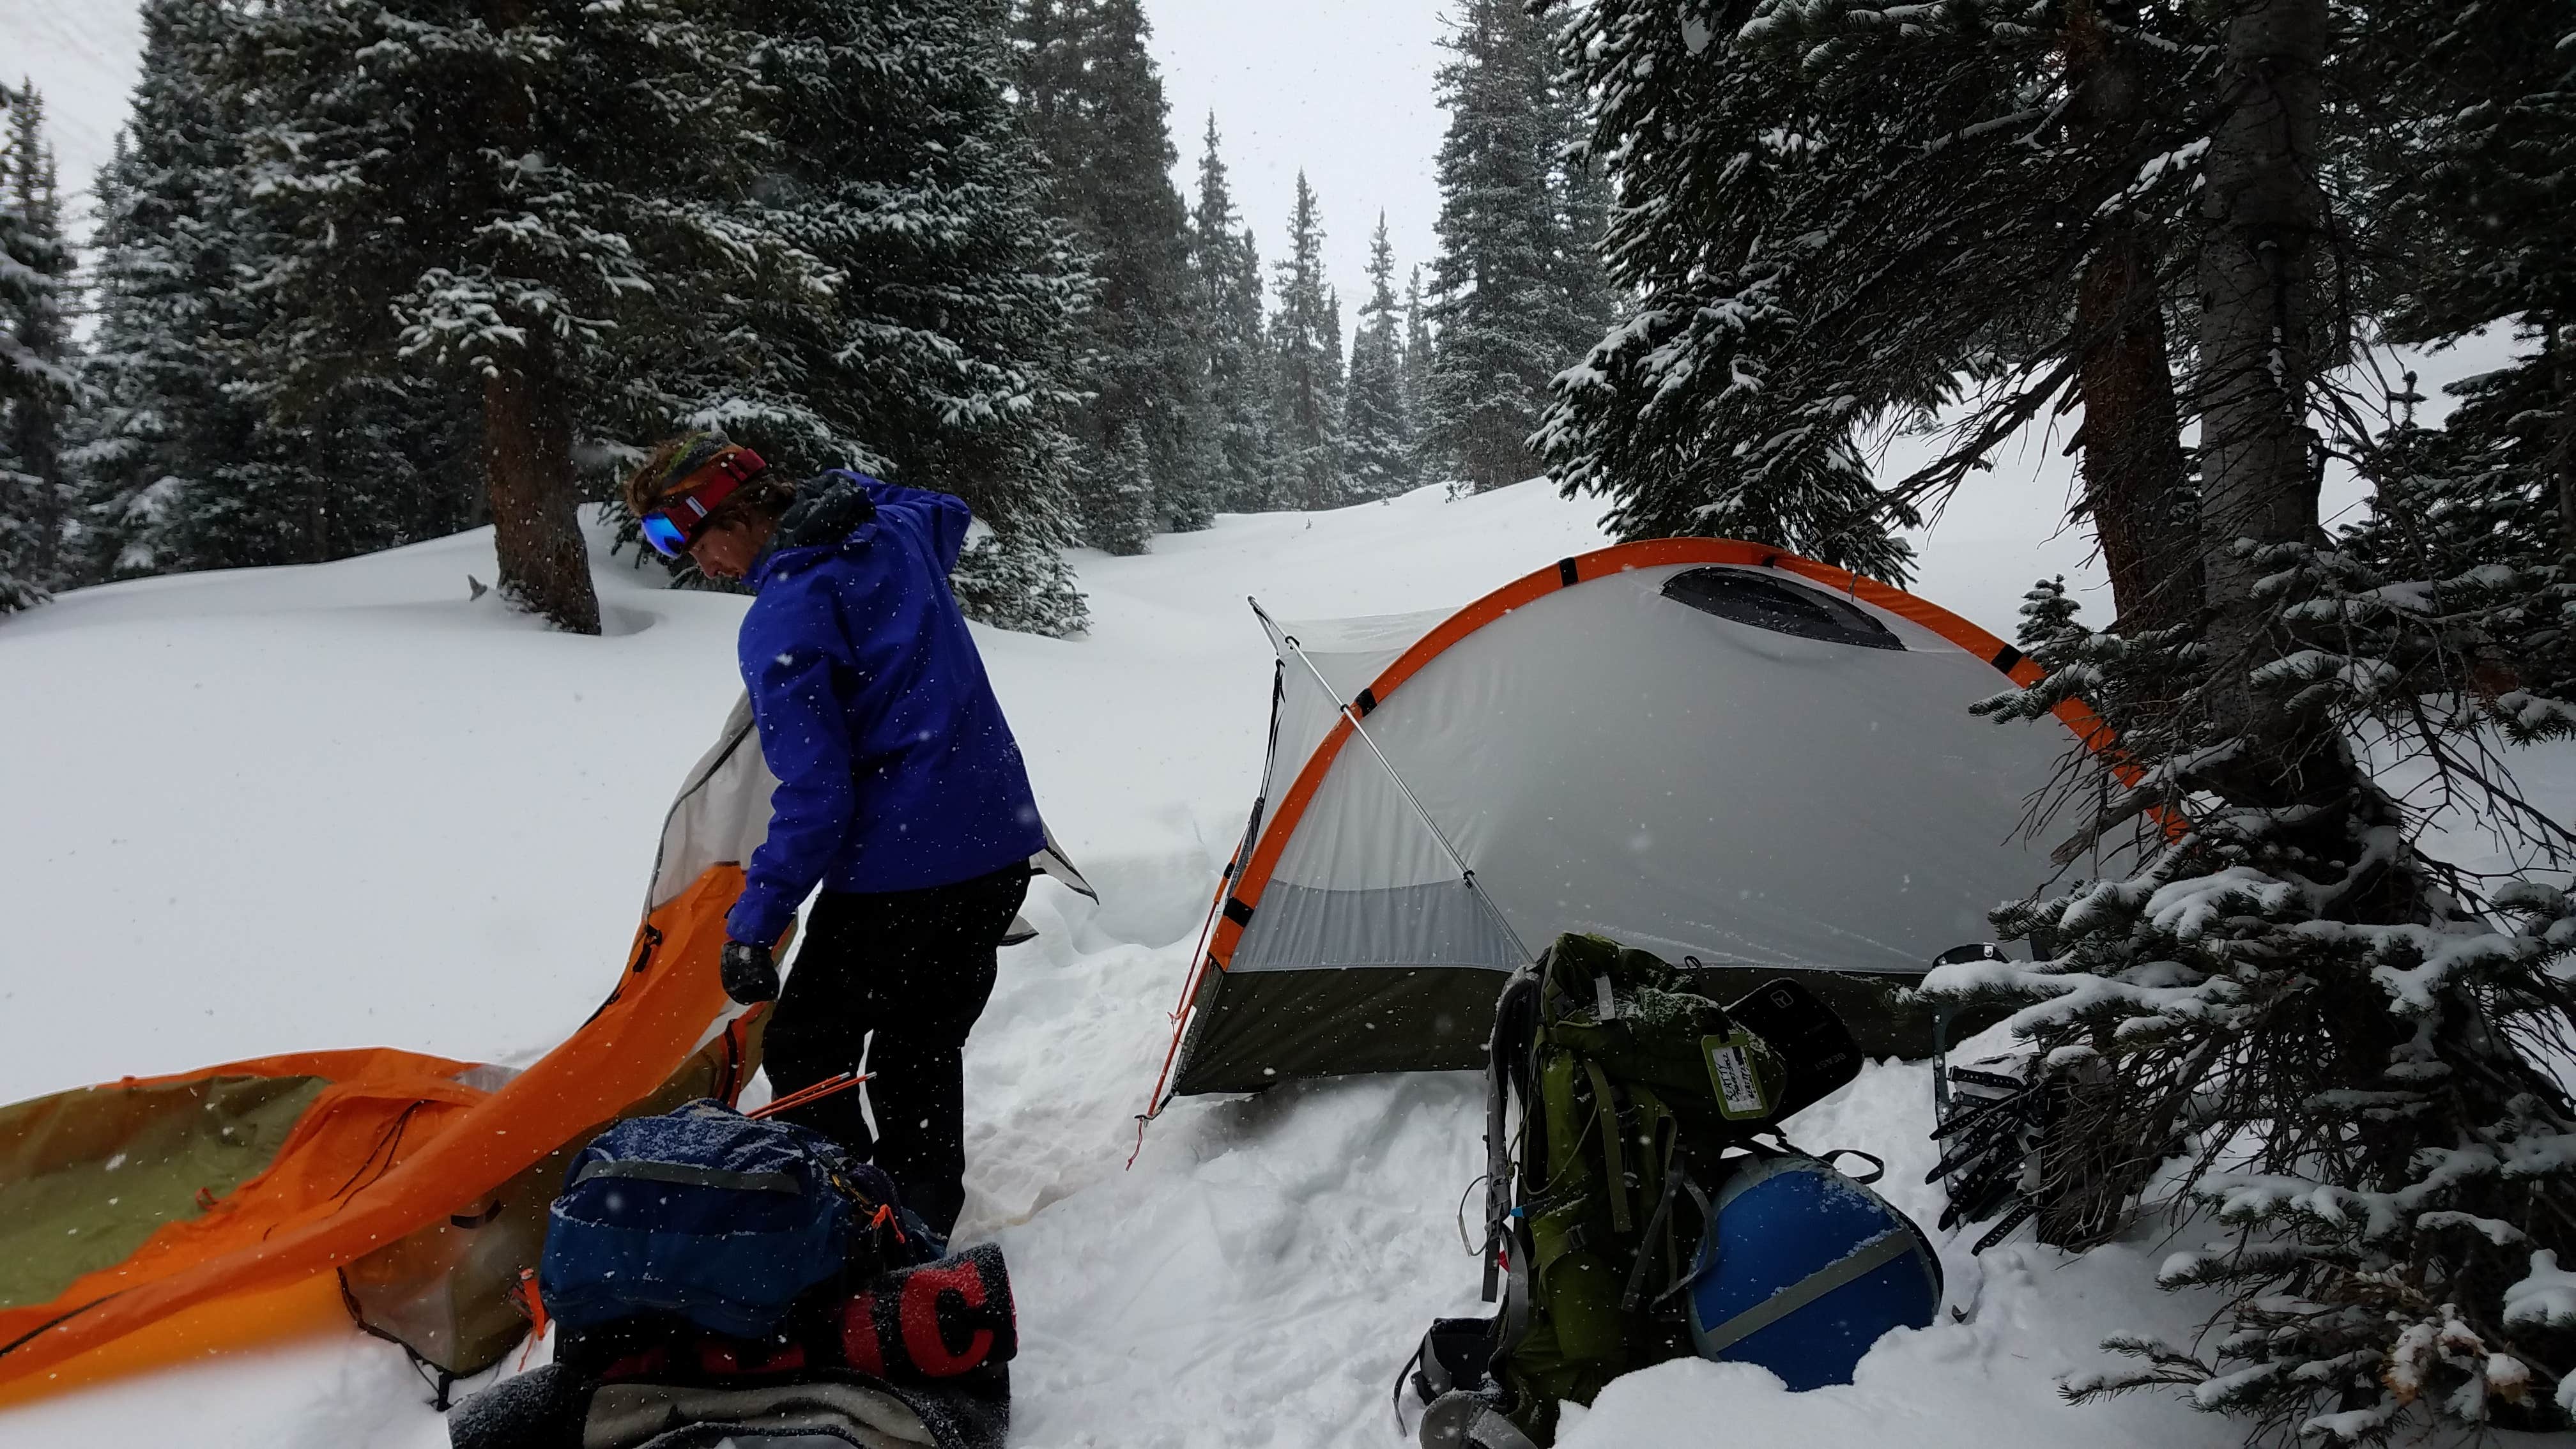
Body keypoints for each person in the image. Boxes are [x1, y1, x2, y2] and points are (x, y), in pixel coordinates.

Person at [622, 433, 1045, 1237]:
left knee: (808, 1045)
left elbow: (816, 797)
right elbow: (944, 510)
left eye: (692, 537)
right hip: (998, 851)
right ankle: (920, 1214)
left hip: (902, 873)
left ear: (742, 510)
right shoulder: (893, 534)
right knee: (919, 1044)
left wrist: (756, 922)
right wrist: (847, 490)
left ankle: (855, 1221)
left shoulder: (786, 615)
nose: (695, 563)